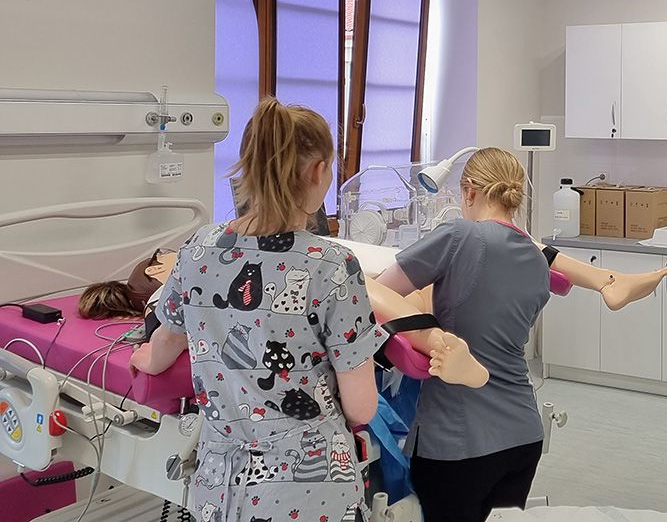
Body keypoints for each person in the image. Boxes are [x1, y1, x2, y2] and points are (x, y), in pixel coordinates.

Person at [129, 98, 388, 522]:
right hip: (311, 487)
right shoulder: (332, 266)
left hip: (222, 486)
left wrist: (145, 359)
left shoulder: (198, 248)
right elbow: (362, 408)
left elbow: (166, 343)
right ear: (318, 171)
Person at [375, 147, 551, 522]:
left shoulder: (459, 234)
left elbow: (377, 292)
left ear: (469, 192)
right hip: (522, 435)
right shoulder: (539, 260)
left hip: (458, 442)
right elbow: (492, 325)